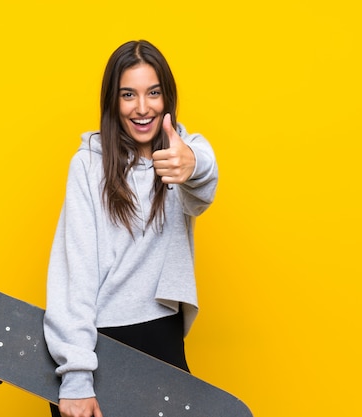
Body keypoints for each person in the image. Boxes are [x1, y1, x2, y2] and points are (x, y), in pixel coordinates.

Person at [43, 39, 218, 417]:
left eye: (153, 93)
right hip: (99, 339)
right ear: (113, 101)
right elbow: (75, 274)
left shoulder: (181, 154)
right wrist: (76, 375)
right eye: (128, 95)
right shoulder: (88, 166)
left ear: (166, 97)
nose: (142, 108)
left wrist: (191, 166)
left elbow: (203, 179)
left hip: (162, 335)